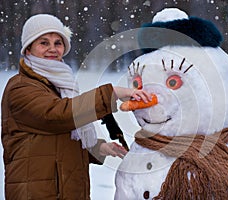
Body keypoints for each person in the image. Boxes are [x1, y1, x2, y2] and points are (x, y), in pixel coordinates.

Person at [1, 14, 151, 199]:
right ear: (28, 49)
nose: (52, 49)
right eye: (43, 43)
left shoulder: (61, 85)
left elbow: (60, 140)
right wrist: (111, 93)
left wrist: (97, 148)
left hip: (64, 191)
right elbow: (58, 115)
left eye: (58, 43)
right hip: (36, 193)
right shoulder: (21, 87)